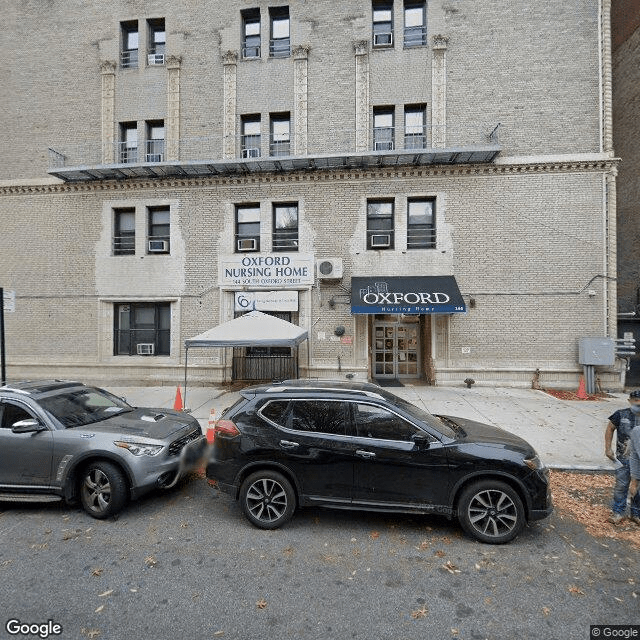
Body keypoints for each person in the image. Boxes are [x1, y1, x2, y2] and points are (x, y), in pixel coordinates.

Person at [605, 389, 640, 524]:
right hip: (623, 459)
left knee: (639, 488)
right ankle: (618, 512)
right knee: (621, 485)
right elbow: (610, 428)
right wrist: (607, 448)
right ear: (629, 401)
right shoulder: (620, 414)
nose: (638, 404)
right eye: (636, 401)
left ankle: (636, 514)